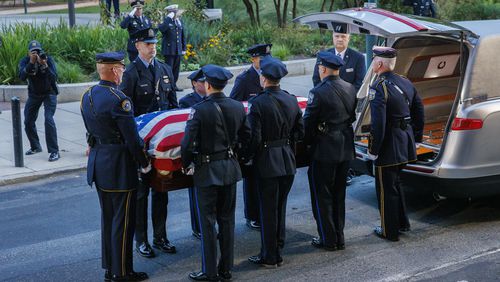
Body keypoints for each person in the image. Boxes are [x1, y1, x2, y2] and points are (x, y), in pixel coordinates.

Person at [80, 51, 150, 282]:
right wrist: (144, 163)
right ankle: (122, 273)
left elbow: (91, 133)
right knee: (123, 221)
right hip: (119, 167)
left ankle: (111, 268)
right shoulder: (119, 99)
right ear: (114, 70)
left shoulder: (87, 96)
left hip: (99, 164)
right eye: (121, 69)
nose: (123, 72)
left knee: (109, 219)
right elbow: (131, 139)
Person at [181, 64, 251, 281]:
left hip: (207, 171)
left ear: (208, 85)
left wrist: (187, 163)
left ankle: (209, 271)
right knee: (227, 220)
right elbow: (247, 136)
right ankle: (226, 269)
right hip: (230, 169)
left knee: (208, 223)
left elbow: (187, 143)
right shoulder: (238, 107)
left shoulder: (199, 110)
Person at [119, 27, 178, 258]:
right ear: (137, 46)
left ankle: (160, 236)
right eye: (147, 44)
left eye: (154, 43)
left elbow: (173, 105)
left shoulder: (164, 68)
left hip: (161, 145)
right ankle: (141, 240)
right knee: (142, 194)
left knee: (162, 191)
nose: (152, 47)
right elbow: (126, 113)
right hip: (141, 144)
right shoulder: (131, 73)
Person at [247, 57, 304, 268]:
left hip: (267, 161)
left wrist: (248, 156)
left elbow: (255, 137)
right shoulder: (291, 100)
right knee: (280, 206)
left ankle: (270, 255)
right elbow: (300, 131)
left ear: (263, 79)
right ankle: (278, 244)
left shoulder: (258, 103)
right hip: (287, 160)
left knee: (268, 210)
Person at [367, 46, 424, 242]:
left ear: (380, 63)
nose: (373, 63)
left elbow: (378, 124)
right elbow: (419, 109)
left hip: (389, 145)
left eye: (374, 60)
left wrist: (374, 149)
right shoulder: (405, 82)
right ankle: (402, 223)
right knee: (396, 184)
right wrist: (416, 137)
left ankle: (388, 231)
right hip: (405, 141)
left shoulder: (378, 87)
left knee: (385, 189)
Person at [304, 52, 357, 251]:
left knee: (322, 195)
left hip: (325, 149)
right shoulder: (350, 87)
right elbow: (351, 116)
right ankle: (339, 236)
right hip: (345, 147)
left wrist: (309, 144)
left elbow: (308, 123)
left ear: (323, 69)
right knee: (339, 194)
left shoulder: (318, 92)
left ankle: (328, 239)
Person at [229, 43, 272, 230]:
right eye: (261, 60)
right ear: (253, 60)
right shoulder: (244, 80)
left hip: (267, 133)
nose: (264, 63)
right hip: (250, 133)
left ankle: (262, 212)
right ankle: (252, 215)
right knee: (252, 178)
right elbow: (234, 105)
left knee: (264, 178)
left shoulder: (270, 74)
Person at [18, 40, 60, 162]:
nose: (36, 54)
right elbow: (21, 76)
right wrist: (31, 63)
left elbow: (54, 77)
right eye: (33, 52)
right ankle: (35, 147)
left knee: (48, 119)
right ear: (28, 53)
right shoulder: (25, 61)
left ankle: (54, 151)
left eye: (38, 51)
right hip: (34, 94)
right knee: (28, 121)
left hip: (49, 93)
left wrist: (45, 65)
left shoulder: (47, 59)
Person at [178, 69, 207, 240]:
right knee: (195, 193)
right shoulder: (186, 102)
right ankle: (198, 227)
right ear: (195, 84)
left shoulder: (213, 97)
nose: (205, 84)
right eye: (202, 82)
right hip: (196, 152)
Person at [159, 4, 186, 92]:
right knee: (168, 69)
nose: (176, 13)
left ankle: (174, 85)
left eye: (175, 11)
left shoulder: (178, 21)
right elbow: (162, 29)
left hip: (178, 49)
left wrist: (183, 48)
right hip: (169, 50)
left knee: (176, 69)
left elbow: (182, 36)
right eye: (173, 12)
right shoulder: (166, 22)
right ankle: (168, 85)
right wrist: (168, 18)